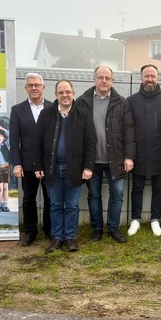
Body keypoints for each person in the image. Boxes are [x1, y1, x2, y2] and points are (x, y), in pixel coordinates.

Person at [34, 80, 96, 252]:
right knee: (55, 204)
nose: (64, 95)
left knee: (72, 205)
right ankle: (57, 237)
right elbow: (38, 141)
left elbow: (91, 142)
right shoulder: (46, 114)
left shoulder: (83, 114)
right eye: (61, 92)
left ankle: (70, 237)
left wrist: (88, 167)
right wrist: (38, 165)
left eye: (67, 92)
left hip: (74, 169)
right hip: (52, 169)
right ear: (55, 95)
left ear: (73, 94)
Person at [78, 66, 136, 243]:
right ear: (94, 79)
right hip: (91, 160)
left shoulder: (122, 103)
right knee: (94, 195)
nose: (104, 81)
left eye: (107, 78)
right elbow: (76, 132)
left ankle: (113, 228)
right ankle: (97, 229)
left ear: (112, 80)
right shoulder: (82, 102)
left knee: (117, 194)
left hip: (116, 158)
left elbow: (129, 131)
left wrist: (129, 156)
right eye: (100, 77)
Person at [127, 64, 161, 237]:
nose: (150, 79)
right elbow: (128, 128)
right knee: (137, 187)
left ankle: (155, 219)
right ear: (141, 78)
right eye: (146, 76)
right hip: (137, 153)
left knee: (158, 188)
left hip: (159, 152)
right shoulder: (131, 101)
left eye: (153, 76)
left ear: (157, 78)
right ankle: (135, 219)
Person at [10, 72, 51, 246]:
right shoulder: (17, 110)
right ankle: (30, 231)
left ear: (43, 88)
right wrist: (17, 163)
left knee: (50, 199)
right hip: (26, 164)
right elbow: (14, 139)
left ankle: (50, 230)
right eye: (30, 85)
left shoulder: (53, 107)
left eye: (37, 85)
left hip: (49, 164)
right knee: (28, 199)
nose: (34, 88)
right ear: (26, 88)